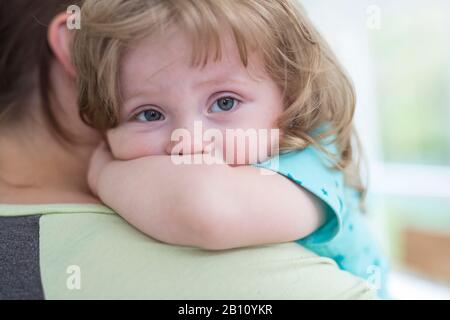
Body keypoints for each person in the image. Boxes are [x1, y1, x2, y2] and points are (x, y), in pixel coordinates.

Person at [0, 0, 378, 299]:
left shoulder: (308, 153)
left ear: (293, 98)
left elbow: (207, 210)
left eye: (225, 103)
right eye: (148, 113)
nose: (189, 140)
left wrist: (103, 173)